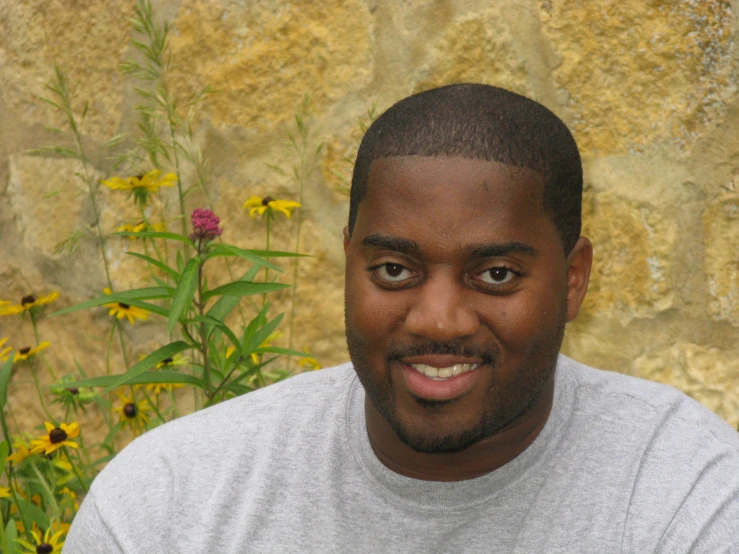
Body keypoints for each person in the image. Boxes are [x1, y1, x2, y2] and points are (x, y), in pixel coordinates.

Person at [65, 84, 739, 553]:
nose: (435, 319)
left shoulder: (686, 494)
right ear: (347, 263)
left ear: (571, 279)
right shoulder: (171, 501)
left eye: (495, 274)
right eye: (394, 270)